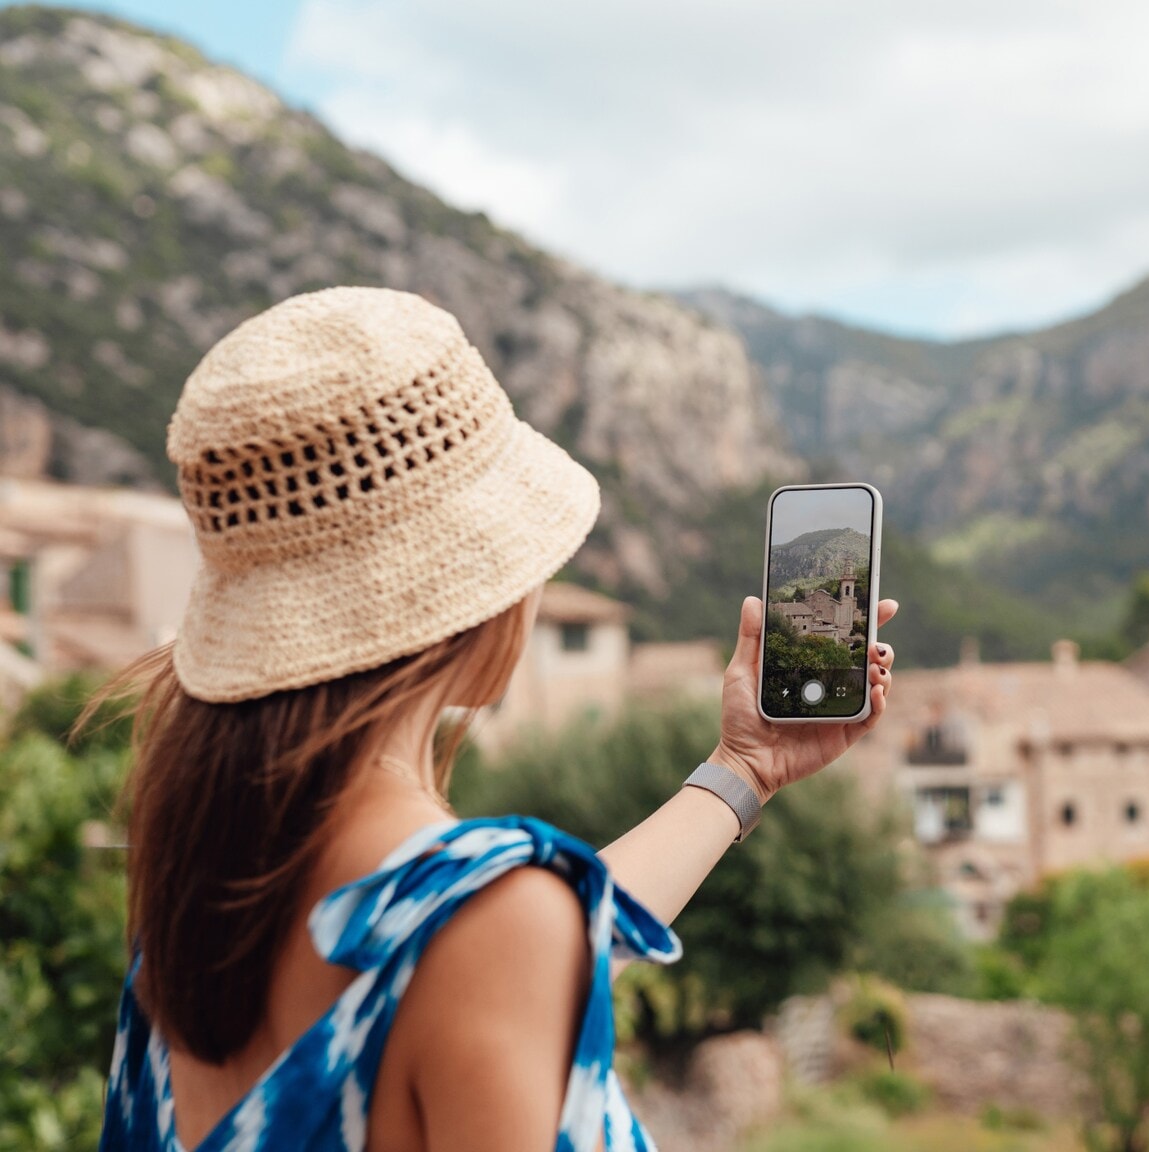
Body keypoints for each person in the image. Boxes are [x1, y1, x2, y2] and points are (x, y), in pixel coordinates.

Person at [93, 287, 895, 1150]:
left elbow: (536, 935)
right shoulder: (488, 923)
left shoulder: (194, 913)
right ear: (466, 598)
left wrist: (744, 768)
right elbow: (507, 940)